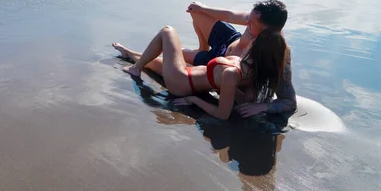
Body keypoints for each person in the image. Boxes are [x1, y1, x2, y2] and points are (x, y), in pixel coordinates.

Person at [113, 25, 288, 120]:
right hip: (187, 76)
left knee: (167, 31)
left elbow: (223, 114)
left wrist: (194, 100)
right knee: (152, 63)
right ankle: (128, 53)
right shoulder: (254, 72)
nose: (251, 39)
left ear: (257, 48)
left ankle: (135, 69)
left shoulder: (233, 74)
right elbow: (244, 98)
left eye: (255, 39)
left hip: (181, 81)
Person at [182, 0, 296, 117]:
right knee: (196, 11)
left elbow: (289, 101)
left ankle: (200, 57)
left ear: (264, 29)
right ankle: (203, 47)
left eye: (251, 23)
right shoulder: (257, 18)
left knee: (179, 55)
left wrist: (261, 106)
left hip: (219, 65)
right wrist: (202, 8)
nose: (247, 23)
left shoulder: (276, 51)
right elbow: (230, 15)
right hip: (228, 41)